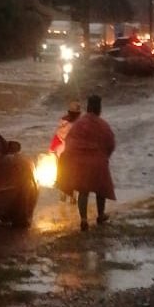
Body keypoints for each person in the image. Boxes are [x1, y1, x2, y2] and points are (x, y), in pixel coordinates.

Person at [56, 95, 116, 231]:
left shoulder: (78, 124)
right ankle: (100, 215)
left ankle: (83, 219)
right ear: (99, 109)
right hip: (98, 163)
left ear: (87, 108)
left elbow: (69, 143)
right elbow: (110, 143)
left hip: (80, 164)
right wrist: (104, 156)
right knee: (101, 190)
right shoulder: (103, 125)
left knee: (83, 191)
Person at [49, 100, 81, 203]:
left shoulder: (62, 124)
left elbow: (56, 138)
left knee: (63, 175)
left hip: (61, 153)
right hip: (75, 154)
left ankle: (63, 197)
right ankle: (73, 198)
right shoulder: (79, 124)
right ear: (78, 113)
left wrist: (51, 150)